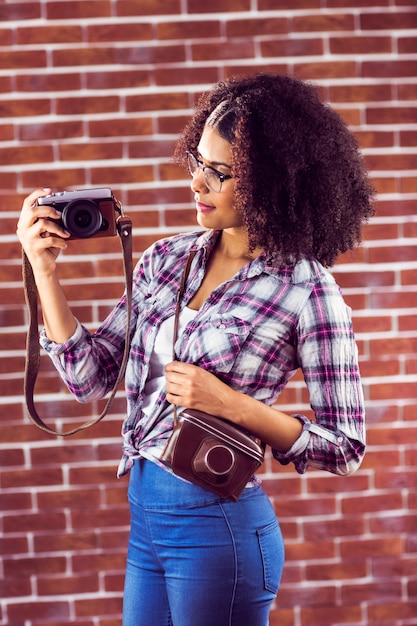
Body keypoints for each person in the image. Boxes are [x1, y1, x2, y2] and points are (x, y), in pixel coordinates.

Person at [17, 73, 375, 626]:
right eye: (197, 163)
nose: (198, 184)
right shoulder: (164, 259)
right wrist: (44, 271)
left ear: (272, 183)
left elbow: (345, 446)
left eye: (221, 173)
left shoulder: (306, 289)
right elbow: (87, 377)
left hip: (219, 531)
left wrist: (234, 406)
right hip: (146, 523)